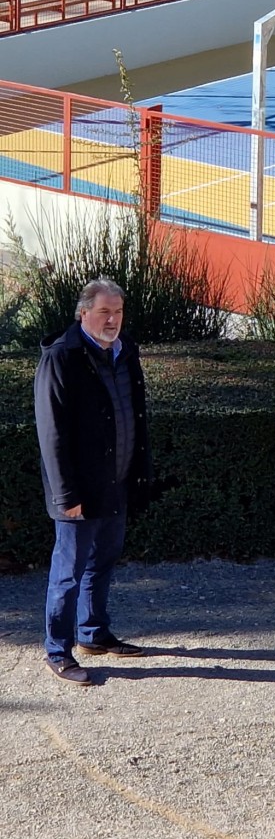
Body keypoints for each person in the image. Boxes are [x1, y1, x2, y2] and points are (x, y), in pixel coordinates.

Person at [35, 278, 152, 687]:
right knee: (68, 572)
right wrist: (65, 494)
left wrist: (138, 474)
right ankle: (58, 650)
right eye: (104, 311)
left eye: (118, 312)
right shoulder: (62, 358)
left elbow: (135, 415)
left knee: (103, 561)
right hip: (77, 491)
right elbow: (52, 433)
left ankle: (93, 633)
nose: (113, 320)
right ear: (83, 313)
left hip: (115, 482)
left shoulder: (125, 350)